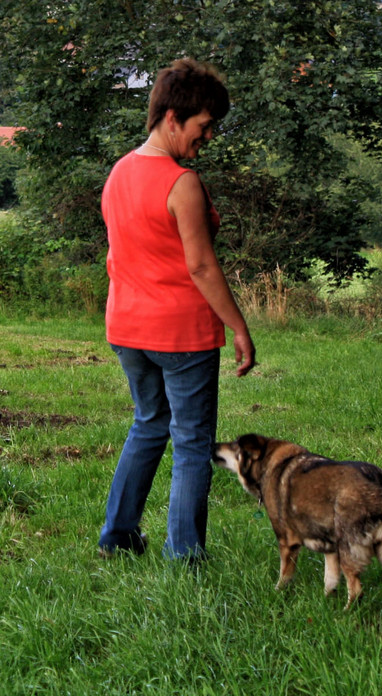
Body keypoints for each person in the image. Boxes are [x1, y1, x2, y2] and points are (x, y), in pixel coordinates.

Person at [98, 58, 256, 560]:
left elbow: (116, 255)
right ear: (172, 118)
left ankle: (118, 538)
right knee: (190, 442)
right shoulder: (180, 182)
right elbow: (203, 268)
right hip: (180, 334)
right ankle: (184, 556)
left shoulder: (119, 172)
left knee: (149, 422)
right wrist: (239, 327)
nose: (207, 137)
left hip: (127, 326)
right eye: (203, 127)